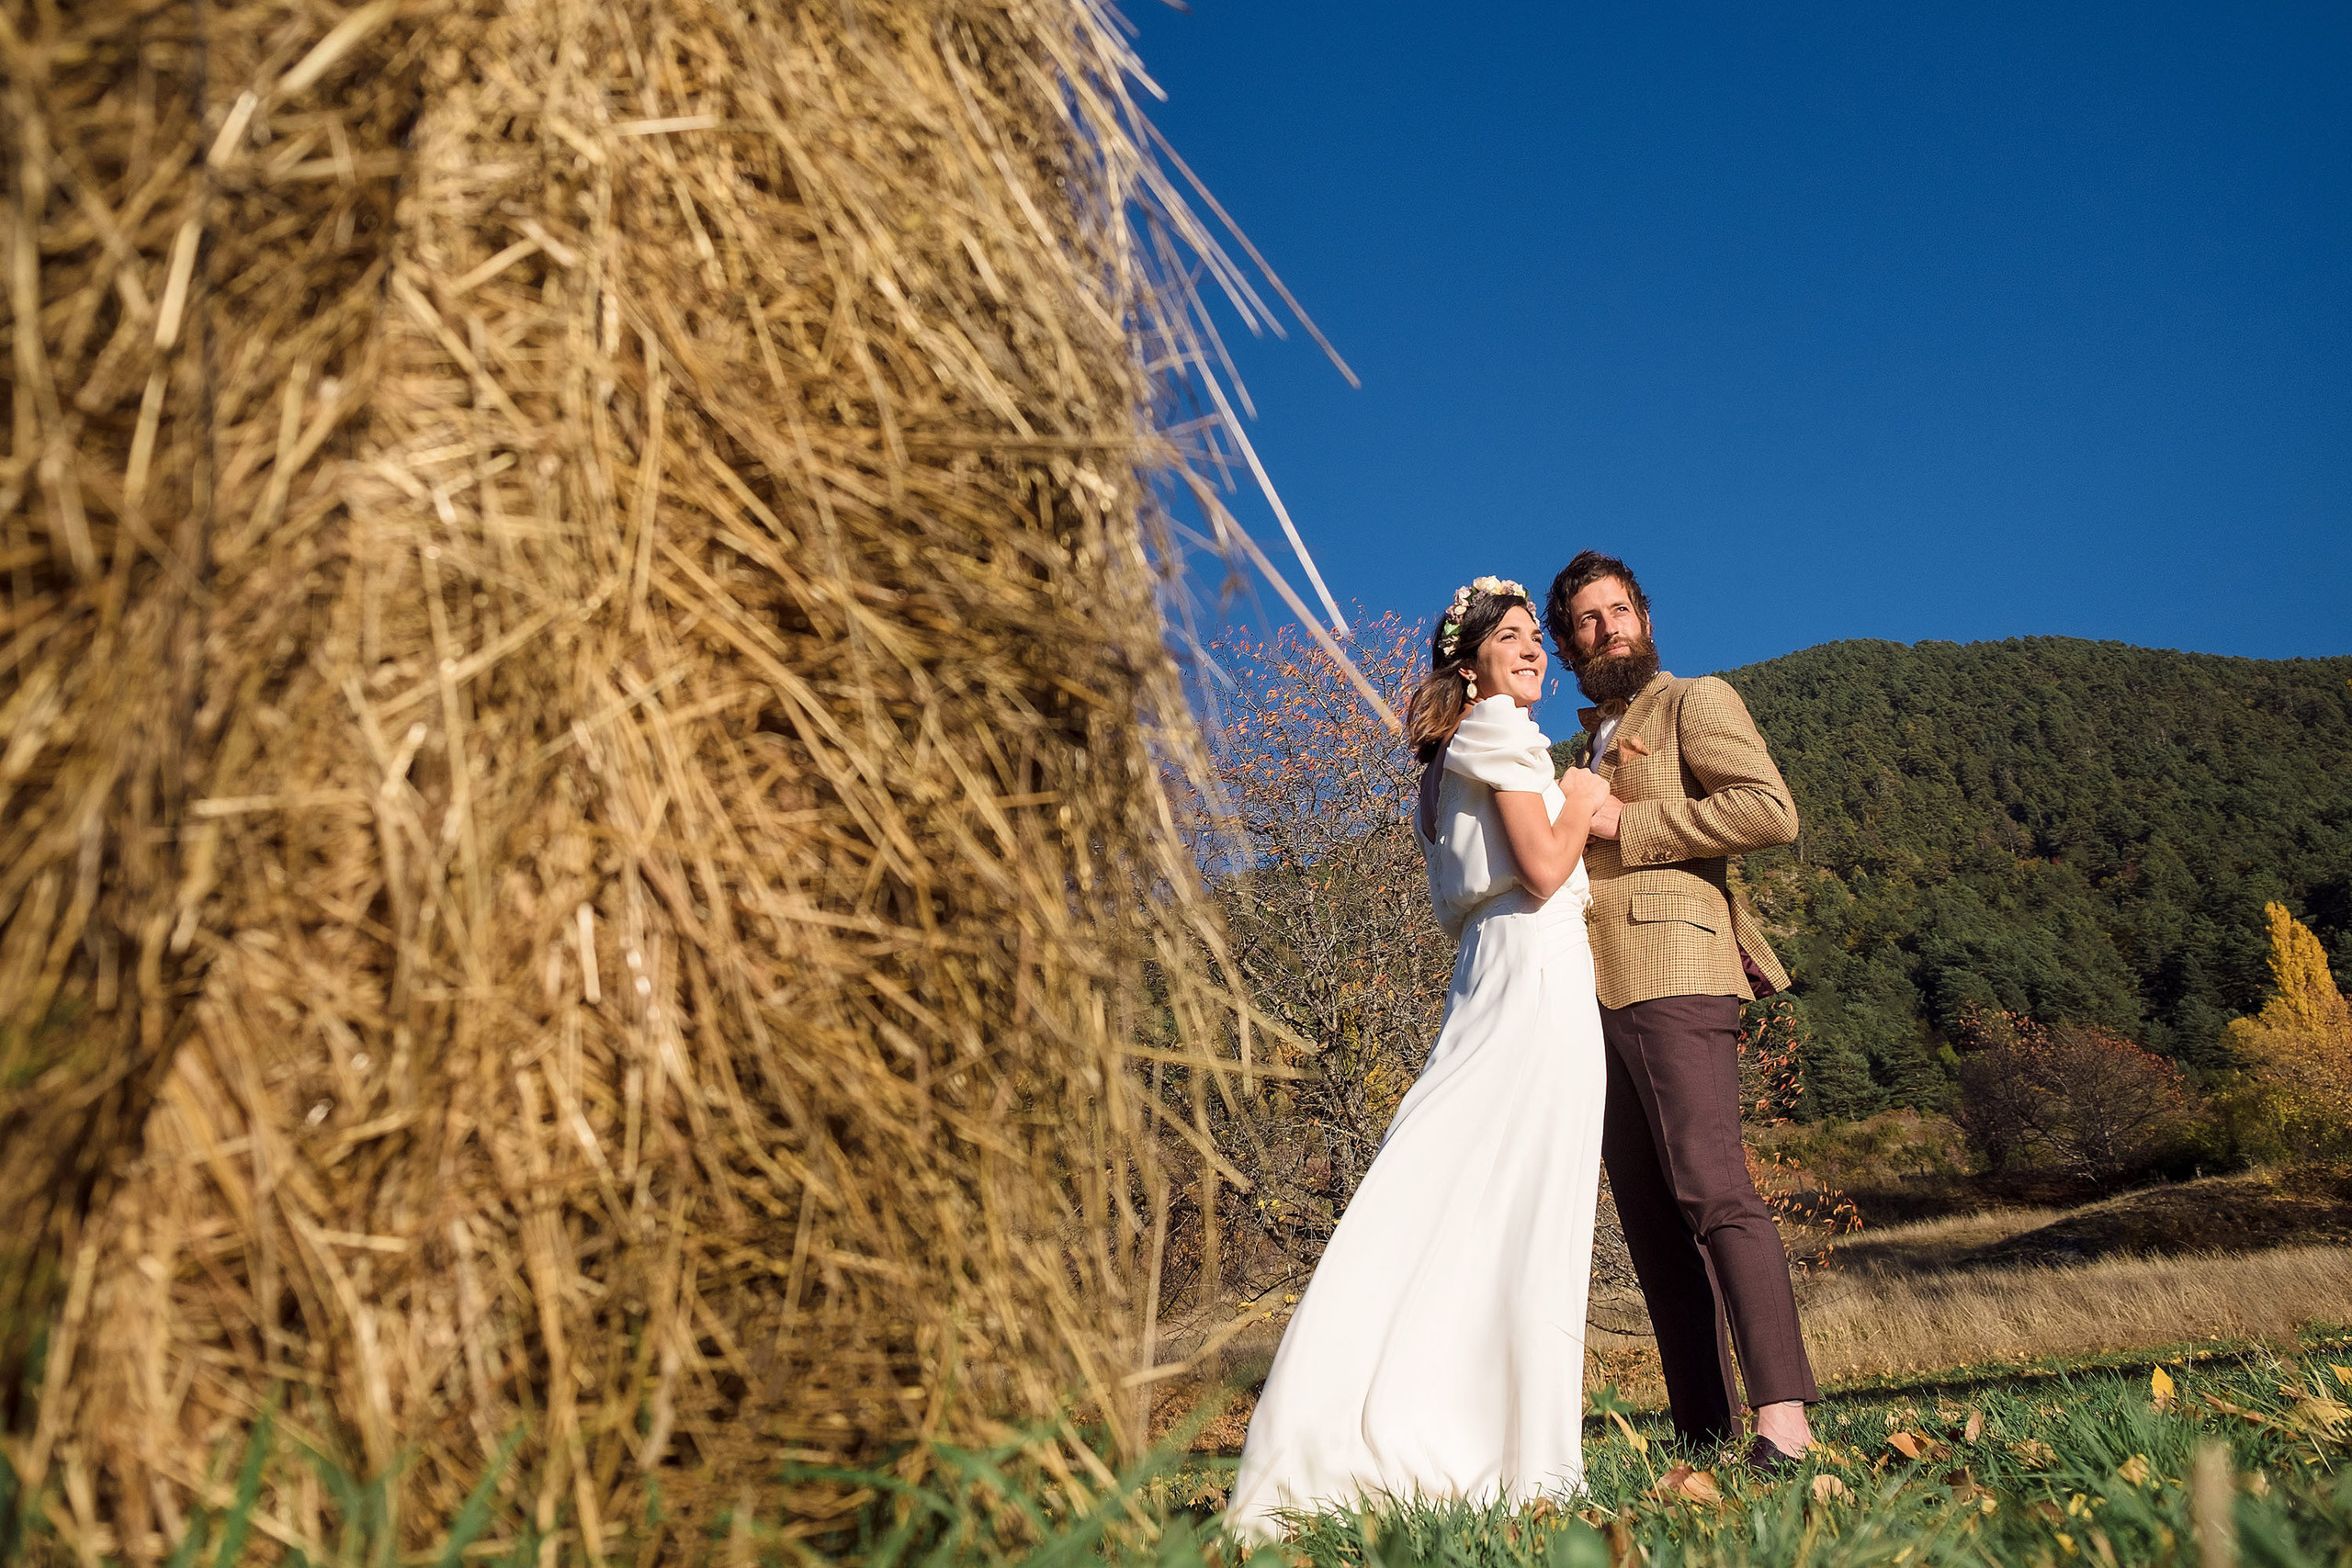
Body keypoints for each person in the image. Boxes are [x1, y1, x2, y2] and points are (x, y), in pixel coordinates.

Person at [1225, 576, 1616, 1540]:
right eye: (1513, 637)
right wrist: (1580, 793)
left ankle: (1463, 1434)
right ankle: (1515, 1459)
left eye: (1536, 637)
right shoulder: (1496, 731)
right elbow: (1541, 864)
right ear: (1470, 660)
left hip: (1496, 966)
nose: (1533, 650)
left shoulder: (1447, 756)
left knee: (1466, 1191)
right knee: (1525, 1201)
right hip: (1532, 965)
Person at [1542, 550, 1819, 1472]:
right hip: (1588, 997)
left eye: (1618, 610)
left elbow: (1768, 810)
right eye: (1587, 619)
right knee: (1652, 1224)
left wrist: (1630, 825)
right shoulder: (1568, 754)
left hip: (1678, 967)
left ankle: (1784, 1419)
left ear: (1644, 617)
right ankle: (1703, 1433)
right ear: (1566, 642)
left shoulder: (1694, 701)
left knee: (1714, 1188)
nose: (1607, 627)